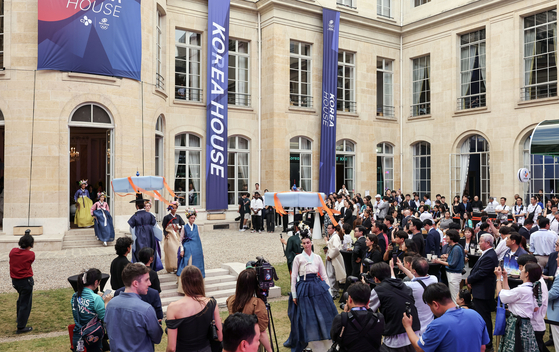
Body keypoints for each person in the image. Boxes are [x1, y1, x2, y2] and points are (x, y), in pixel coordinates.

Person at [402, 283, 490, 352]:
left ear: (435, 304)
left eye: (430, 307)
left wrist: (408, 327)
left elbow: (420, 348)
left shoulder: (437, 325)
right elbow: (482, 347)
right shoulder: (475, 315)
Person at [288, 235, 338, 352]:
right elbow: (294, 276)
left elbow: (324, 275)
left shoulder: (317, 257)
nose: (306, 245)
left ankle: (323, 335)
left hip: (317, 285)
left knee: (322, 310)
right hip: (304, 286)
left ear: (311, 243)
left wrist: (329, 291)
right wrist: (294, 294)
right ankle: (309, 338)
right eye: (304, 243)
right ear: (302, 245)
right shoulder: (298, 258)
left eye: (308, 242)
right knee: (305, 313)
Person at [105, 263, 163, 352]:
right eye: (146, 280)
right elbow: (157, 338)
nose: (150, 283)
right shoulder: (146, 309)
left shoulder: (110, 305)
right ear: (135, 283)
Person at [166, 266, 223, 352]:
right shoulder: (211, 303)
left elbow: (171, 348)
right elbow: (220, 337)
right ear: (200, 282)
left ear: (182, 282)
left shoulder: (173, 308)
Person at [368, 262, 420, 351]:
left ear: (376, 279)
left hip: (395, 339)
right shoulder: (405, 286)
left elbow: (367, 310)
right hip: (414, 334)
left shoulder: (378, 290)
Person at [494, 263, 542, 351]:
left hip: (516, 325)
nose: (520, 271)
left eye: (522, 269)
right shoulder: (533, 288)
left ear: (527, 274)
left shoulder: (522, 290)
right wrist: (504, 277)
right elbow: (509, 295)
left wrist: (498, 278)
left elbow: (501, 295)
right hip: (527, 326)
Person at [465, 233, 498, 352]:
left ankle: (488, 343)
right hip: (480, 290)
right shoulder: (487, 254)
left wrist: (469, 279)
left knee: (484, 318)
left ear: (487, 243)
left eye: (480, 241)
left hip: (483, 292)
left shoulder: (489, 255)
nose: (478, 243)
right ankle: (484, 340)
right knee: (482, 317)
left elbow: (482, 272)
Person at [226, 269, 272, 352]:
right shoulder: (256, 303)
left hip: (234, 344)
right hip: (250, 345)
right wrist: (269, 350)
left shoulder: (231, 300)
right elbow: (261, 332)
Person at [330, 283, 385, 352]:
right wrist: (369, 310)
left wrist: (345, 315)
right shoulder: (379, 318)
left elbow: (334, 337)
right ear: (368, 302)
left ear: (349, 299)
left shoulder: (340, 319)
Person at [394, 257, 438, 335]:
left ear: (414, 271)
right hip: (430, 322)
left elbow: (394, 284)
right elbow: (416, 278)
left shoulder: (411, 286)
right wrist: (402, 267)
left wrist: (391, 268)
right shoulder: (434, 279)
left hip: (417, 325)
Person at [71, 268, 106, 352]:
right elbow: (105, 318)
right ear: (96, 282)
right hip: (92, 338)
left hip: (77, 335)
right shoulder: (96, 298)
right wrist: (106, 303)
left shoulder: (75, 296)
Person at [128, 193, 163, 271]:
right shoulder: (149, 215)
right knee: (150, 252)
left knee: (140, 252)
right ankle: (151, 269)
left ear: (137, 206)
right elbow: (156, 227)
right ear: (144, 205)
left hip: (139, 237)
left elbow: (131, 229)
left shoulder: (135, 216)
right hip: (150, 236)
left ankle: (140, 270)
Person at [9, 232, 35, 334]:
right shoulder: (31, 254)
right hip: (25, 281)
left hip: (15, 281)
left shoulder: (13, 251)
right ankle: (21, 327)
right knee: (25, 303)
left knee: (20, 300)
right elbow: (28, 258)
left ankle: (19, 318)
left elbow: (19, 252)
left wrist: (26, 237)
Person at [176, 208, 205, 291]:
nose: (193, 219)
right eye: (191, 218)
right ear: (188, 218)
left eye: (194, 218)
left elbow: (198, 239)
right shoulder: (184, 227)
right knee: (188, 265)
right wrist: (182, 249)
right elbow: (181, 240)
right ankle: (186, 286)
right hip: (188, 248)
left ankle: (196, 286)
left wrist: (201, 251)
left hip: (197, 249)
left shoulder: (197, 227)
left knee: (197, 266)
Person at [433, 229, 464, 305]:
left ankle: (457, 312)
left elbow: (452, 264)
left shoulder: (456, 248)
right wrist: (447, 258)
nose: (446, 238)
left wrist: (439, 261)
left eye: (447, 236)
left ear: (452, 237)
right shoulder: (456, 247)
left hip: (454, 274)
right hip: (453, 274)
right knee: (453, 295)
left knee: (454, 297)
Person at [162, 201, 184, 273]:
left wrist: (179, 227)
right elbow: (164, 227)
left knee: (177, 250)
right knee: (172, 250)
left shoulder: (178, 217)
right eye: (173, 208)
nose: (174, 209)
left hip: (176, 235)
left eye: (175, 208)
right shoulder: (166, 217)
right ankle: (171, 267)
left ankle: (177, 266)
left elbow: (183, 224)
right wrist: (165, 234)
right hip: (170, 236)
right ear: (170, 208)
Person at [325, 224, 346, 299]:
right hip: (333, 257)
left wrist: (330, 256)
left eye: (329, 228)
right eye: (327, 228)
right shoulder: (333, 236)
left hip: (333, 257)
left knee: (331, 275)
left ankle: (332, 293)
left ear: (334, 229)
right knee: (333, 274)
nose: (328, 230)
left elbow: (336, 248)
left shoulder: (335, 236)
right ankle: (335, 291)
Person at [548, 252, 559, 350]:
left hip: (557, 313)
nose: (556, 259)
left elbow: (554, 293)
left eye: (558, 257)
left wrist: (540, 297)